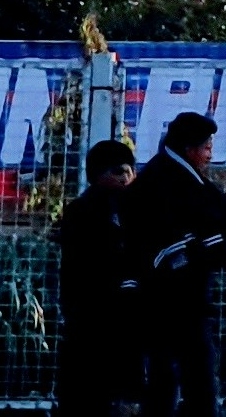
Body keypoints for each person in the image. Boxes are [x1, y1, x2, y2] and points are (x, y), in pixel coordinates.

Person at [124, 112, 226, 417]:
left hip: (158, 300)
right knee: (196, 380)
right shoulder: (180, 186)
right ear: (189, 148)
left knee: (163, 380)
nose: (211, 153)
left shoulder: (155, 179)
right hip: (177, 300)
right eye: (207, 146)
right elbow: (199, 243)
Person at [54, 139, 141, 417]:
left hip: (107, 322)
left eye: (130, 170)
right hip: (97, 319)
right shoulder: (87, 212)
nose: (126, 177)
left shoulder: (130, 209)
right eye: (118, 171)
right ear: (98, 175)